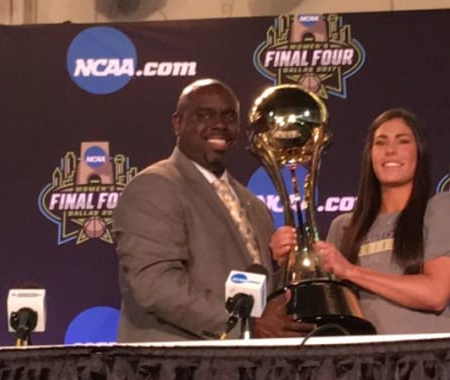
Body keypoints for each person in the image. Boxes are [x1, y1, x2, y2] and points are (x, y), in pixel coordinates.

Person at [114, 78, 314, 342]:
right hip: (174, 369)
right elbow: (155, 286)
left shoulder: (252, 203)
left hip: (241, 367)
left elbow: (258, 292)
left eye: (229, 116)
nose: (219, 124)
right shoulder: (154, 187)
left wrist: (281, 269)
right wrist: (246, 325)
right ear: (178, 123)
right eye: (204, 115)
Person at [272, 108, 450, 334]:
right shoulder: (344, 226)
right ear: (370, 154)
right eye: (380, 143)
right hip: (361, 361)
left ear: (419, 152)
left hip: (424, 359)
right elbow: (321, 305)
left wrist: (350, 271)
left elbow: (436, 294)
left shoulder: (441, 208)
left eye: (403, 141)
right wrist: (287, 263)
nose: (390, 151)